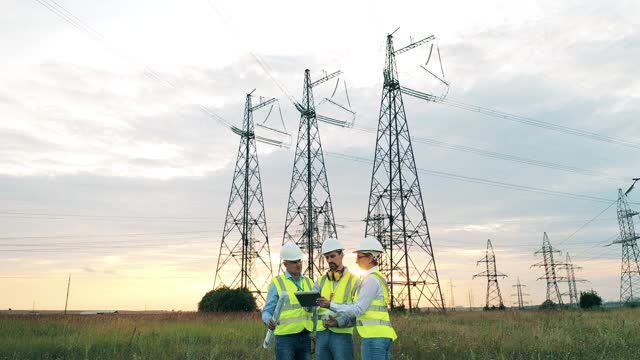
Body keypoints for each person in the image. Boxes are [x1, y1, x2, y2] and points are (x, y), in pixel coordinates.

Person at [318, 238, 397, 360]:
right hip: (379, 335)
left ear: (370, 258)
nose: (356, 261)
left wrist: (330, 305)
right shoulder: (377, 277)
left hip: (374, 336)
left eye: (360, 257)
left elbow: (358, 309)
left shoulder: (371, 280)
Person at [262, 243, 315, 360]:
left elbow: (314, 311)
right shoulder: (277, 283)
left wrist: (314, 333)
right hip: (285, 338)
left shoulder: (309, 282)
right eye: (294, 262)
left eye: (299, 261)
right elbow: (266, 311)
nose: (298, 264)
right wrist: (268, 320)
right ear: (285, 264)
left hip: (305, 336)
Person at [313, 238, 359, 360]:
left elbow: (357, 310)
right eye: (327, 257)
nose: (329, 260)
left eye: (332, 256)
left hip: (342, 334)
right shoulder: (321, 280)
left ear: (341, 255)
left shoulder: (354, 281)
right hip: (321, 333)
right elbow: (310, 307)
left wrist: (338, 322)